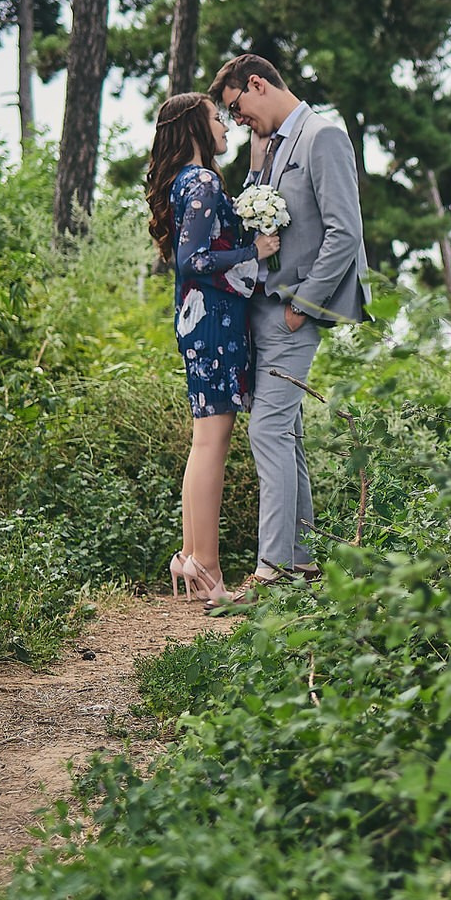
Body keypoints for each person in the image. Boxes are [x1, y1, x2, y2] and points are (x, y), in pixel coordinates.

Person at [207, 54, 369, 603]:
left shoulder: (323, 138)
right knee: (286, 432)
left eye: (238, 108)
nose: (238, 120)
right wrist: (254, 162)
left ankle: (272, 569)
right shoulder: (269, 146)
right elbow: (259, 216)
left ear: (257, 84)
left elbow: (344, 233)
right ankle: (299, 563)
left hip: (292, 311)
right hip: (260, 309)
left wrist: (303, 306)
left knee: (267, 431)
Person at [144, 91, 279, 600]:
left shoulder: (188, 181)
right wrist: (256, 249)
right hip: (214, 321)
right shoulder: (199, 181)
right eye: (217, 119)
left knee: (206, 443)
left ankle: (192, 559)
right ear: (194, 128)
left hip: (202, 320)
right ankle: (209, 570)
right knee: (211, 444)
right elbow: (193, 260)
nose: (224, 127)